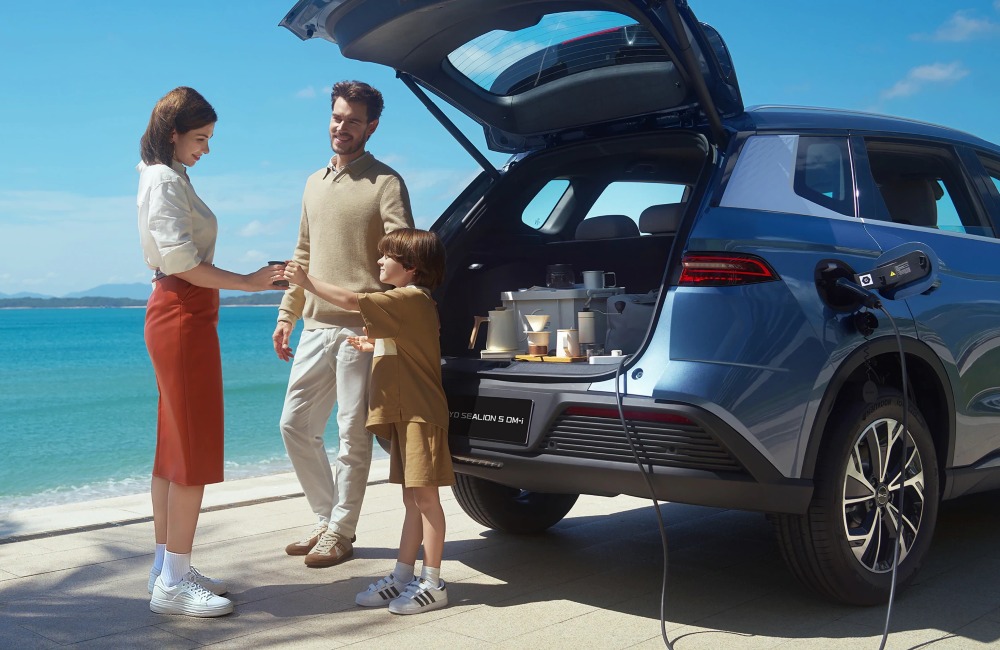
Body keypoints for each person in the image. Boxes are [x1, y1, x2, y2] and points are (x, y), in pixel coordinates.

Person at [137, 86, 287, 618]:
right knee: (193, 449)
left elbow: (179, 261)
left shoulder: (168, 175)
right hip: (182, 310)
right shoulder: (162, 179)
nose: (206, 148)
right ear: (173, 132)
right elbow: (180, 260)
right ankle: (173, 582)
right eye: (200, 138)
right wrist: (248, 282)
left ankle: (166, 567)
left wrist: (242, 284)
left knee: (173, 448)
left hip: (183, 310)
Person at [274, 81, 413, 568]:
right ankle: (323, 517)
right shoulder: (313, 182)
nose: (342, 127)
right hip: (315, 325)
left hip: (363, 329)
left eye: (353, 120)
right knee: (295, 425)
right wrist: (287, 313)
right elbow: (302, 255)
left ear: (371, 127)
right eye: (337, 117)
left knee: (352, 434)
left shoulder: (386, 183)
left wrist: (387, 321)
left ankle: (341, 531)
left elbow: (404, 256)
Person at [283, 228, 454, 615]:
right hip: (406, 414)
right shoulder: (414, 301)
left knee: (425, 499)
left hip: (420, 415)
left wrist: (305, 281)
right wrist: (375, 345)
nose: (379, 261)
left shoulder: (409, 297)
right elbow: (415, 346)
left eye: (387, 256)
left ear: (411, 267)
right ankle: (403, 575)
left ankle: (433, 582)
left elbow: (350, 300)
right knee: (413, 499)